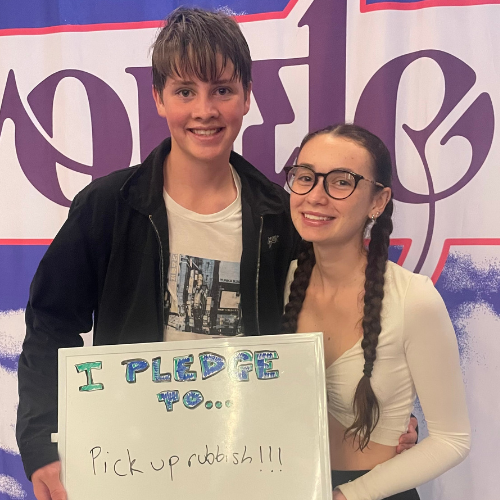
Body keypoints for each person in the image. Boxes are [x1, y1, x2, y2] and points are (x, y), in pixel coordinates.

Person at [16, 9, 418, 500]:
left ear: (246, 97)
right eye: (185, 91)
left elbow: (332, 331)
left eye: (222, 90)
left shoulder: (282, 216)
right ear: (158, 98)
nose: (204, 110)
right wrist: (42, 441)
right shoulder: (109, 206)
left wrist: (380, 424)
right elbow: (51, 323)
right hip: (135, 461)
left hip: (250, 463)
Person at [282, 123, 471, 499]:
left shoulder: (413, 298)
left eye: (341, 182)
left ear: (378, 201)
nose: (315, 196)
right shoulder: (278, 282)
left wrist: (347, 495)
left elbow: (452, 439)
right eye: (305, 177)